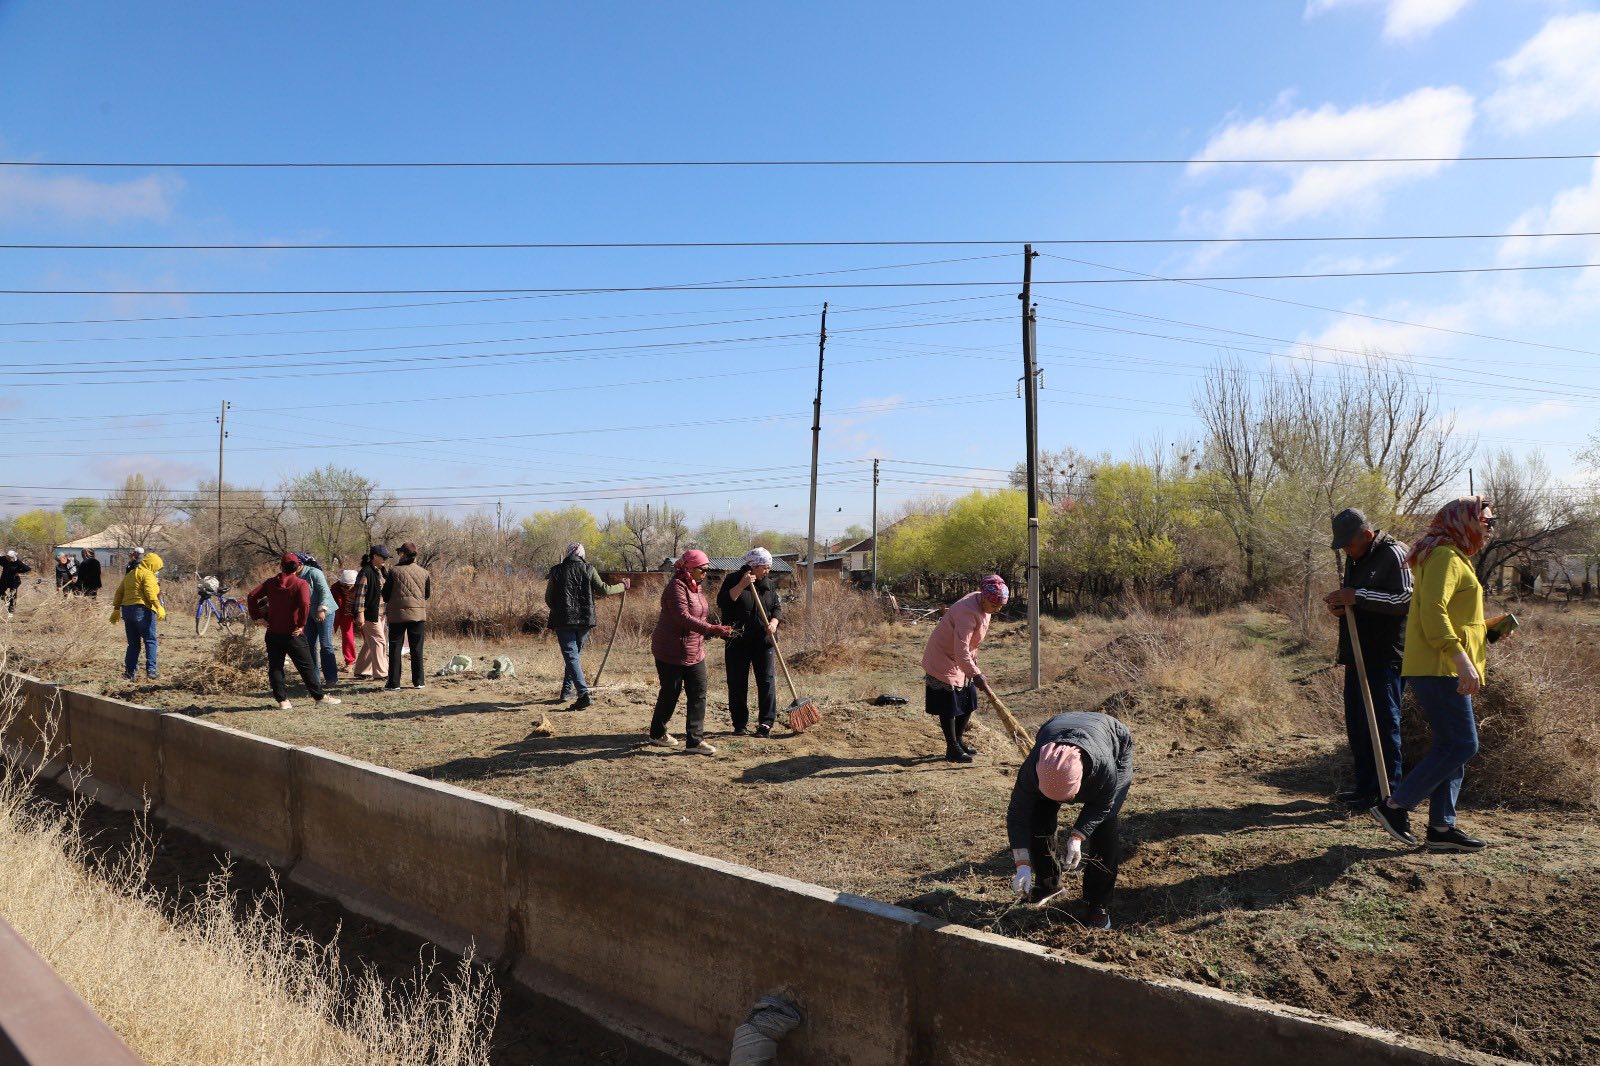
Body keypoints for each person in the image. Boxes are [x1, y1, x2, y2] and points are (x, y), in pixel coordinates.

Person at [1370, 496, 1497, 854]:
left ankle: (1442, 826)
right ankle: (1394, 807)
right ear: (1464, 521)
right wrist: (1461, 659)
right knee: (1462, 744)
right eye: (1486, 522)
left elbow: (1454, 617)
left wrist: (1487, 631)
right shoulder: (1444, 556)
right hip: (1439, 667)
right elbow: (1432, 612)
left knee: (1450, 746)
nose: (1490, 528)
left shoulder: (1453, 556)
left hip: (1443, 664)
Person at [1006, 711, 1134, 930]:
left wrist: (1078, 835)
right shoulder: (1033, 769)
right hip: (1057, 728)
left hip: (1111, 738)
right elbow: (1018, 815)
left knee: (1105, 826)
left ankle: (1097, 904)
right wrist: (1022, 864)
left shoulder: (1105, 768)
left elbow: (1103, 805)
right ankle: (1048, 884)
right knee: (1038, 815)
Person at [1323, 508, 1411, 810]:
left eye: (1349, 544)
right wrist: (1340, 606)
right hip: (1357, 656)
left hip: (1386, 657)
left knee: (1384, 727)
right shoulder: (1356, 556)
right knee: (1359, 726)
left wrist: (1357, 596)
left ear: (1367, 535)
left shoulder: (1396, 554)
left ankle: (1390, 797)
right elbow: (1356, 599)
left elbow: (1406, 599)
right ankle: (1366, 790)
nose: (1346, 550)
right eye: (1343, 545)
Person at [648, 549, 733, 755]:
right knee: (670, 693)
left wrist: (713, 629)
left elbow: (700, 616)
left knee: (698, 693)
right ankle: (657, 733)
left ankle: (694, 741)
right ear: (688, 568)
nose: (705, 573)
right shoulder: (675, 587)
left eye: (706, 569)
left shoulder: (696, 588)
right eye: (701, 569)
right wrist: (712, 629)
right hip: (670, 650)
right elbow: (682, 617)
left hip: (695, 649)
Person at [921, 575, 1008, 763]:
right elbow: (961, 648)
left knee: (969, 701)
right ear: (984, 598)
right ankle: (952, 748)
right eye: (994, 606)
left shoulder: (984, 603)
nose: (997, 609)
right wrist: (976, 674)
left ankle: (959, 740)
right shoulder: (966, 612)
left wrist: (973, 668)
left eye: (1000, 606)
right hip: (942, 656)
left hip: (961, 658)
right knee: (949, 705)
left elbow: (970, 645)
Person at [247, 552, 341, 711]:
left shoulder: (271, 583)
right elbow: (305, 604)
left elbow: (251, 596)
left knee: (276, 667)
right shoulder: (300, 583)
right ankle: (319, 697)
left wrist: (256, 617)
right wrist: (301, 624)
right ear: (298, 566)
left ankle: (282, 701)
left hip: (273, 633)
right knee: (307, 667)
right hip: (293, 634)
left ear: (280, 566)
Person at [544, 543, 629, 709]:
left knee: (571, 656)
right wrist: (623, 586)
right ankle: (567, 690)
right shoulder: (589, 569)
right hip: (585, 620)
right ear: (582, 554)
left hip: (563, 620)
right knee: (573, 656)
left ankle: (582, 694)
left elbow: (548, 598)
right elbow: (604, 590)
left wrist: (559, 610)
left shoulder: (556, 571)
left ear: (567, 554)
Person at [716, 546, 782, 737]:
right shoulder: (733, 580)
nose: (767, 571)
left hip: (764, 640)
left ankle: (766, 723)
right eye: (764, 567)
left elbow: (776, 607)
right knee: (737, 682)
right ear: (752, 566)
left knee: (767, 681)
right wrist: (742, 585)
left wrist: (774, 622)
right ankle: (739, 724)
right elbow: (723, 602)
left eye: (769, 567)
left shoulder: (769, 583)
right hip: (737, 640)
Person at [109, 550, 165, 681]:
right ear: (152, 565)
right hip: (142, 610)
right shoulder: (148, 574)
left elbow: (119, 592)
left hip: (127, 612)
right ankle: (151, 670)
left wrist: (116, 609)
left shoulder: (130, 574)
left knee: (133, 644)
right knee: (150, 640)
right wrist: (158, 607)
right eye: (157, 567)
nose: (157, 570)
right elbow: (150, 593)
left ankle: (129, 672)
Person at [382, 542, 430, 690]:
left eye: (399, 553)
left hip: (397, 615)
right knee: (417, 648)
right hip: (418, 614)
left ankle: (394, 683)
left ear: (403, 554)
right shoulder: (424, 572)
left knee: (395, 648)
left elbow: (385, 595)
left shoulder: (394, 571)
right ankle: (419, 682)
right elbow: (427, 595)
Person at [295, 553, 339, 690]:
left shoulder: (314, 573)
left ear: (301, 564)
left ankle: (331, 678)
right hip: (308, 614)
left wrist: (322, 609)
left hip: (325, 611)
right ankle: (314, 679)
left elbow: (324, 591)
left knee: (326, 644)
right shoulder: (293, 576)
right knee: (310, 645)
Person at [351, 546, 390, 681]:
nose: (385, 559)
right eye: (383, 557)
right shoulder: (366, 572)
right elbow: (359, 595)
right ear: (374, 556)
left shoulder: (381, 571)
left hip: (381, 612)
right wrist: (360, 614)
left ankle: (362, 670)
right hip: (370, 613)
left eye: (386, 557)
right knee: (380, 641)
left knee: (370, 642)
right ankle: (382, 673)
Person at [333, 568, 359, 670]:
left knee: (368, 637)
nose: (347, 588)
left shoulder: (362, 586)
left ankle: (370, 661)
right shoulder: (335, 588)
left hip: (361, 611)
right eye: (345, 586)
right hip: (344, 614)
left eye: (350, 586)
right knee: (348, 637)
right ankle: (350, 662)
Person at [2, 549, 31, 614]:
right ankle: (5, 598)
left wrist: (19, 572)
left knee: (13, 594)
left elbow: (28, 569)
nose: (8, 559)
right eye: (7, 557)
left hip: (14, 580)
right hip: (5, 579)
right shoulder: (3, 559)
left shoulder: (17, 562)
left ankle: (11, 609)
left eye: (9, 558)